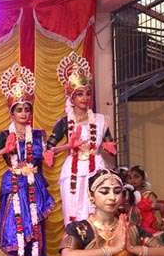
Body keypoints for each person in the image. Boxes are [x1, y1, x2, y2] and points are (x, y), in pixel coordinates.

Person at [0, 64, 55, 256]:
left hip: (34, 182)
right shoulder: (4, 135)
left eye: (27, 109)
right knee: (13, 224)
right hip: (14, 182)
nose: (24, 113)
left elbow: (47, 156)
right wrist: (4, 151)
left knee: (34, 222)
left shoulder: (39, 135)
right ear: (12, 112)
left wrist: (53, 154)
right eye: (19, 110)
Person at [46, 52, 116, 224]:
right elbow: (48, 151)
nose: (85, 98)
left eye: (87, 93)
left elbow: (112, 148)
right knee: (73, 213)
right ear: (72, 97)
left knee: (97, 211)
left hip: (96, 168)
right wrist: (69, 146)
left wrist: (109, 147)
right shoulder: (64, 122)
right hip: (73, 172)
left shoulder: (100, 121)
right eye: (79, 94)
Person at [126, 165, 159, 235]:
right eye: (130, 178)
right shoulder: (127, 194)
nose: (132, 180)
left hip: (147, 227)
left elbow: (155, 213)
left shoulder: (149, 194)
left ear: (143, 179)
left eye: (136, 177)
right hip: (130, 227)